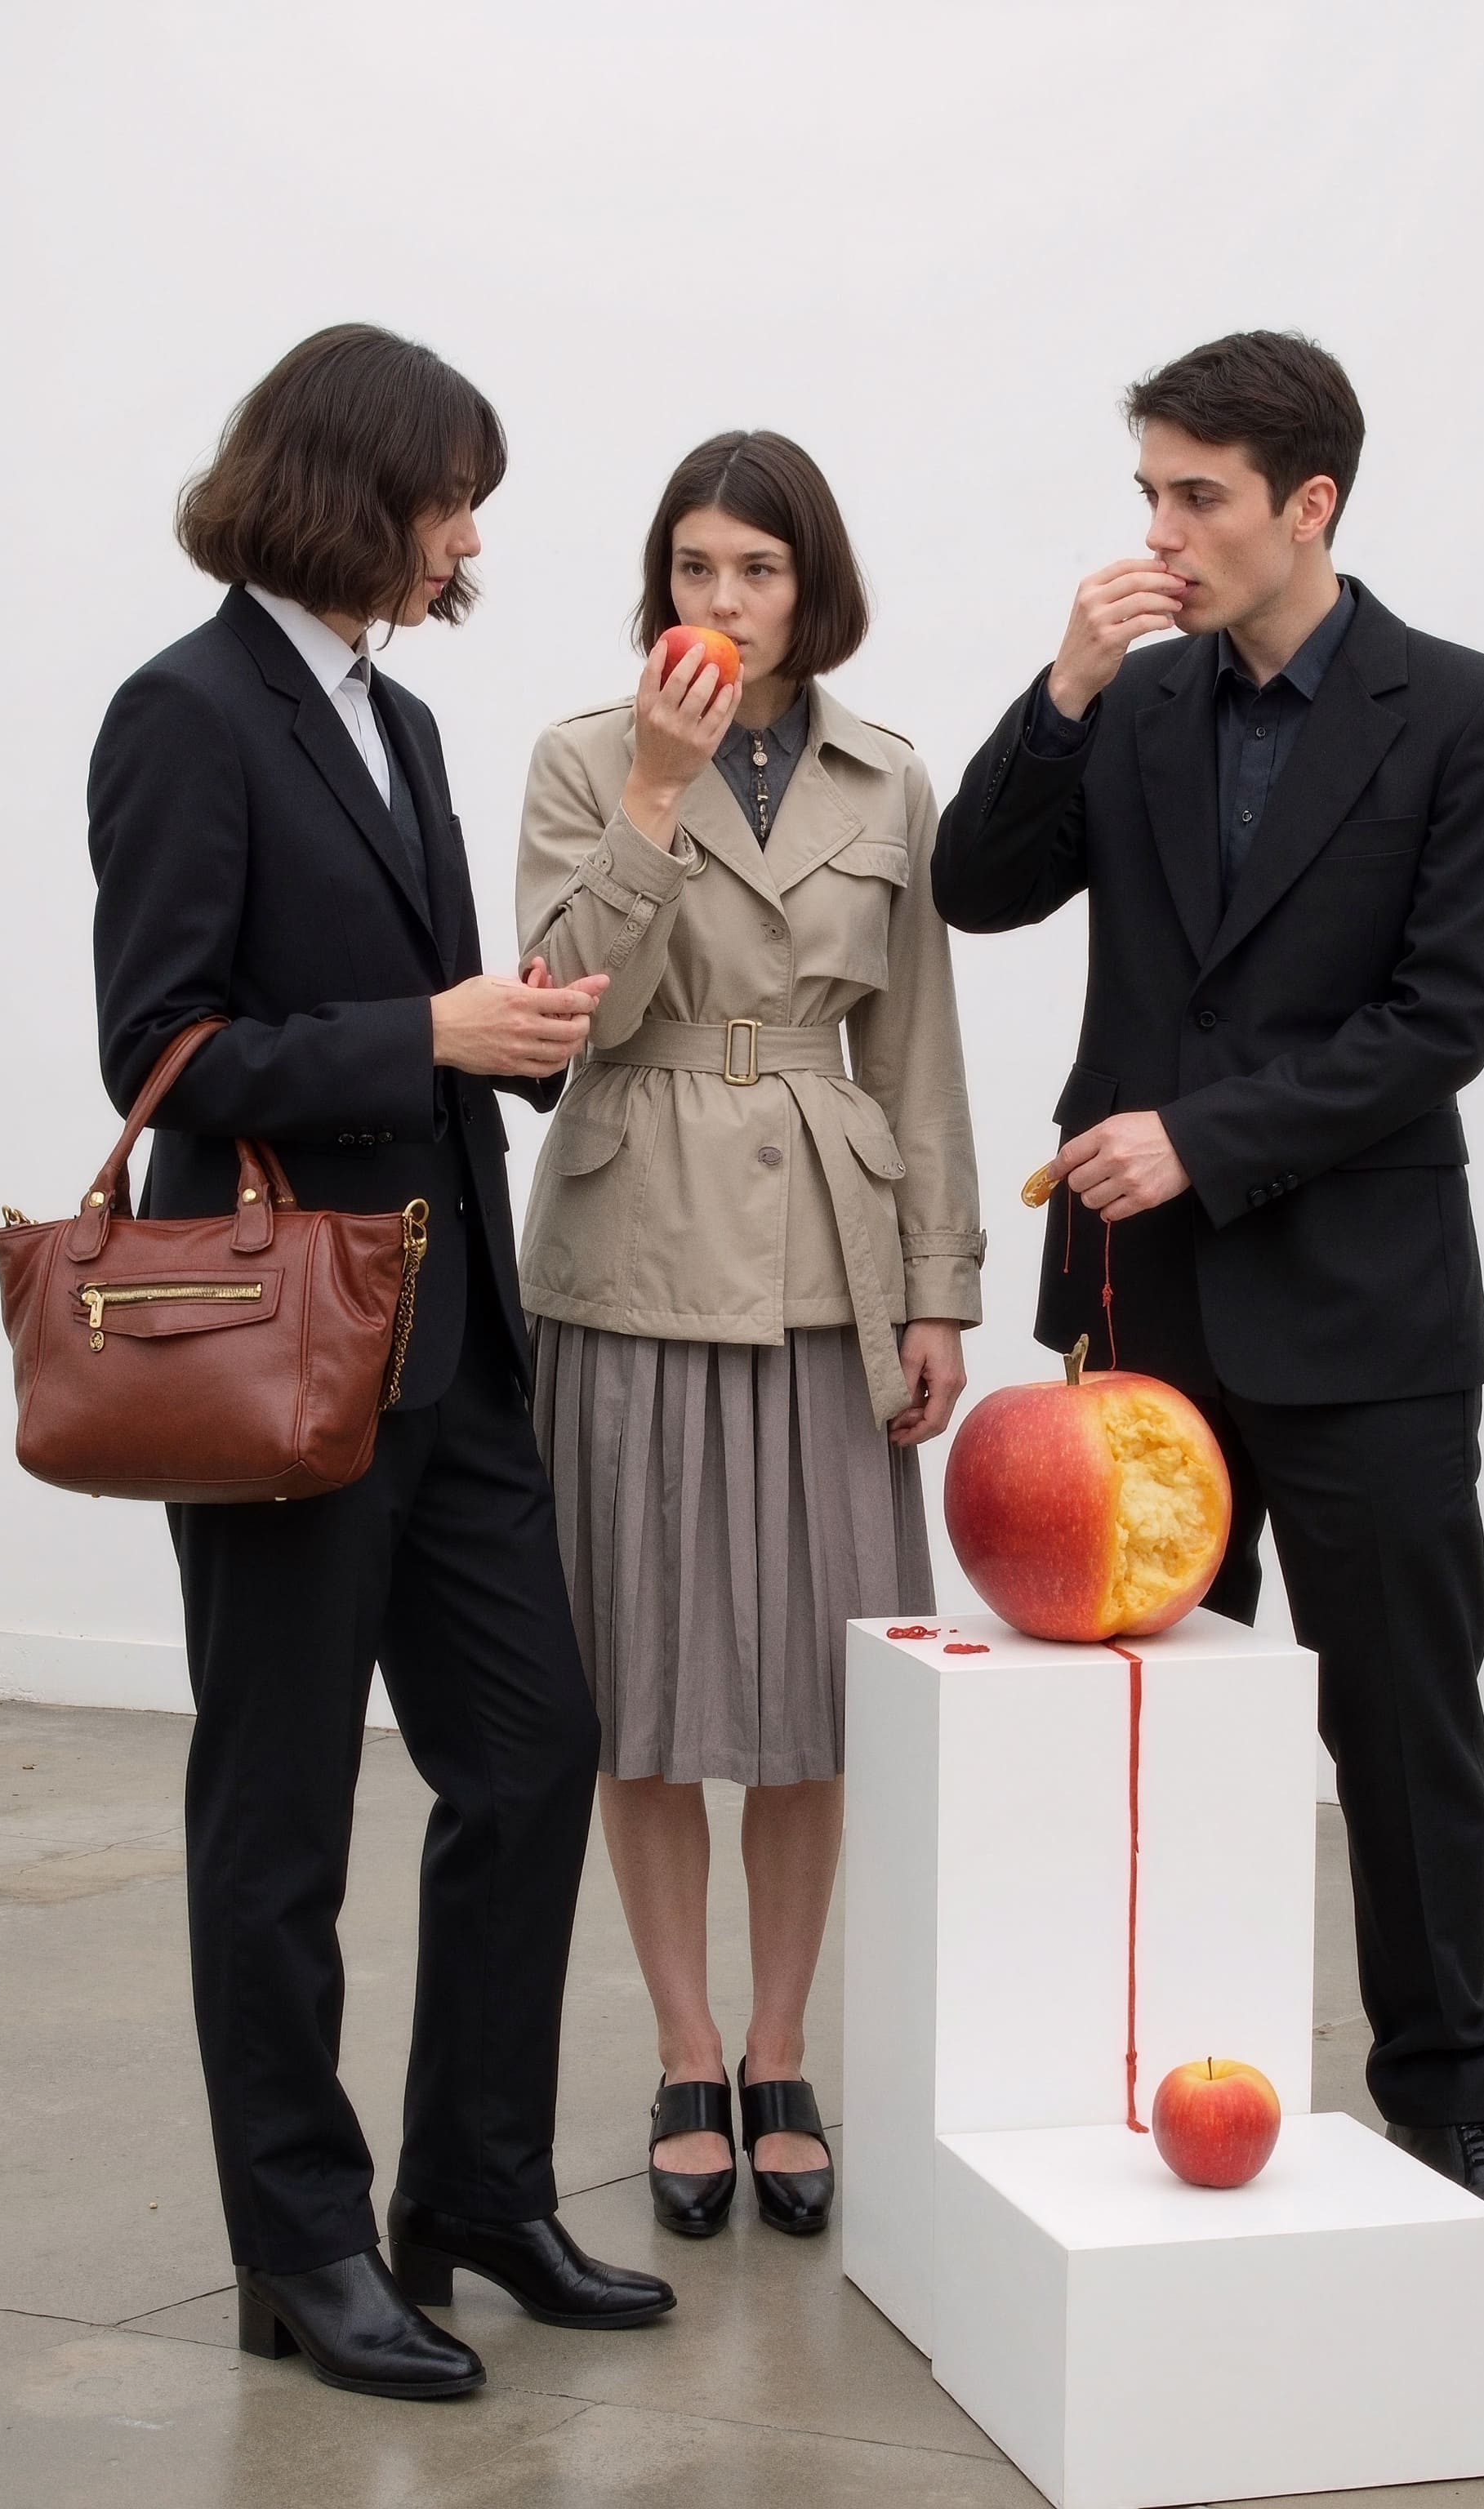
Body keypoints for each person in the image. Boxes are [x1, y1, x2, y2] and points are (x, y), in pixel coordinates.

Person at [931, 329, 1484, 2280]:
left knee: (1400, 1723)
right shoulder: (1123, 706)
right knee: (1142, 1726)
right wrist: (1059, 688)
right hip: (1147, 1306)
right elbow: (972, 885)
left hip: (1365, 1312)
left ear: (1311, 505)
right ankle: (1127, 2079)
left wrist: (1205, 1137)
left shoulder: (1468, 711)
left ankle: (1451, 2109)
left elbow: (1436, 1026)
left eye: (1197, 494)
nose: (1162, 530)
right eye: (1146, 490)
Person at [88, 323, 675, 2401]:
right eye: (454, 495)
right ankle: (304, 2249)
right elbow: (157, 1047)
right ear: (359, 487)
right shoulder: (184, 714)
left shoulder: (400, 724)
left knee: (528, 1754)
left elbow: (404, 1014)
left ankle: (477, 2194)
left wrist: (492, 1025)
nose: (471, 536)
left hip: (449, 1348)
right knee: (278, 1823)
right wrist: (424, 1037)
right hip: (276, 1356)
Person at [516, 431, 983, 2240]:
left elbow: (920, 1044)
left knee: (809, 1699)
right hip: (630, 1242)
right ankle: (683, 2046)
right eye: (697, 567)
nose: (723, 601)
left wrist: (941, 1285)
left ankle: (781, 2052)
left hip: (829, 1261)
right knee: (635, 1690)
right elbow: (570, 1010)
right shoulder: (584, 755)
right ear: (662, 580)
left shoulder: (891, 779)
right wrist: (651, 789)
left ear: (813, 589)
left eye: (759, 571)